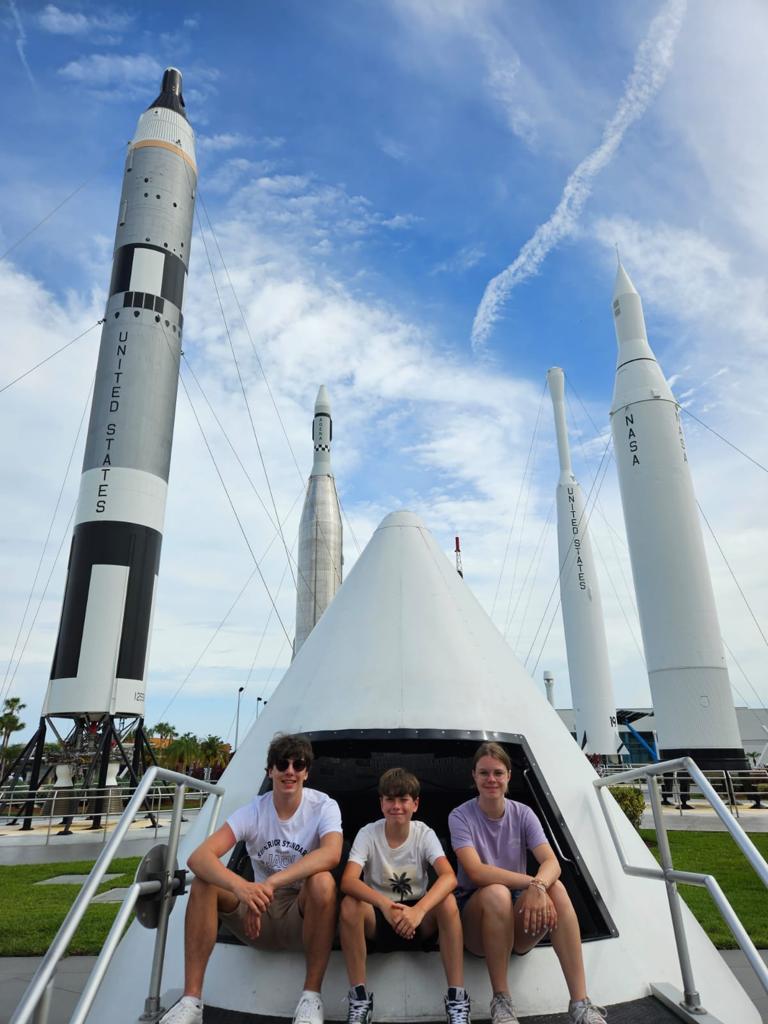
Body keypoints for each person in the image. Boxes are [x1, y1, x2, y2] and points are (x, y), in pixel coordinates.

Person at [159, 733, 342, 1024]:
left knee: (322, 882)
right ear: (270, 771)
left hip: (301, 914)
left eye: (298, 764)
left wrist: (270, 883)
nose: (290, 771)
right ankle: (191, 1002)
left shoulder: (323, 806)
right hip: (257, 915)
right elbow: (199, 857)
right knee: (206, 882)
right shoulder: (254, 811)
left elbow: (331, 854)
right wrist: (242, 888)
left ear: (307, 772)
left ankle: (310, 997)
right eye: (282, 764)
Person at [448, 742, 606, 1024]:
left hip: (516, 921)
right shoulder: (460, 816)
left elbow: (552, 862)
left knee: (556, 888)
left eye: (498, 772)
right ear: (473, 776)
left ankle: (581, 1003)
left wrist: (540, 887)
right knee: (496, 892)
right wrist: (534, 883)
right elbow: (476, 872)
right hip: (476, 921)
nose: (491, 780)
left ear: (509, 775)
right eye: (484, 773)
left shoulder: (523, 814)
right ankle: (502, 1002)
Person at [339, 767, 471, 1024]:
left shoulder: (424, 834)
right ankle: (359, 1000)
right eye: (390, 799)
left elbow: (448, 877)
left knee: (447, 902)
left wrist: (418, 911)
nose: (396, 806)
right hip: (378, 916)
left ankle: (457, 999)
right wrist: (386, 907)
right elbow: (347, 880)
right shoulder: (368, 834)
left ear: (415, 804)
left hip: (418, 919)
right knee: (350, 905)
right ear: (381, 803)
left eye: (403, 800)